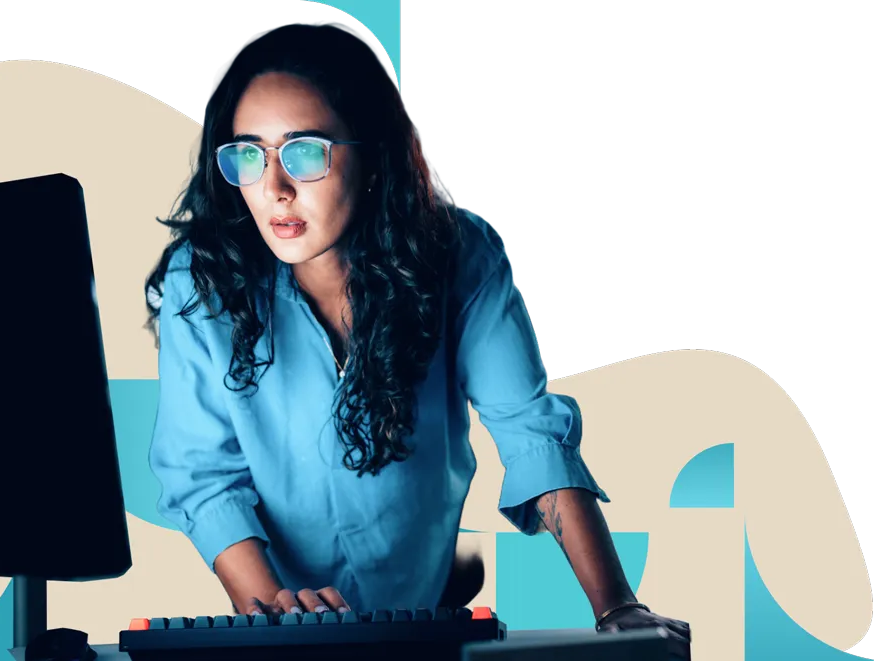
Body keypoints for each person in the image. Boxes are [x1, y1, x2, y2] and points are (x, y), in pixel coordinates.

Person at [144, 19, 691, 659]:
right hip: (282, 622)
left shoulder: (462, 255)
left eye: (305, 152)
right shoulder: (200, 281)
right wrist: (282, 624)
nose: (275, 190)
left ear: (372, 156)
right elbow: (205, 479)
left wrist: (616, 606)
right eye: (248, 155)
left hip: (428, 618)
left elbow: (529, 433)